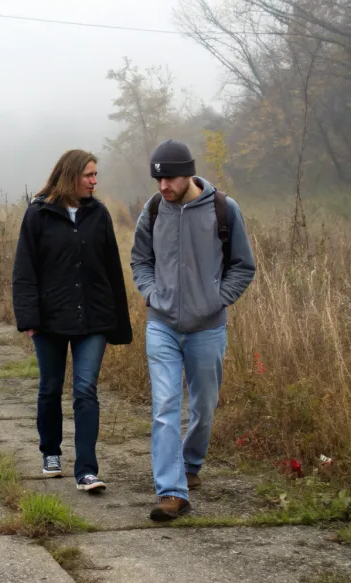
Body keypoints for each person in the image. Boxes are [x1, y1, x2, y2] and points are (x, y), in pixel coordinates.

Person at [130, 139, 256, 521]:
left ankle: (191, 464)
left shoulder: (223, 209)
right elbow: (140, 259)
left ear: (188, 173)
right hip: (162, 326)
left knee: (204, 407)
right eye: (158, 179)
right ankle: (172, 492)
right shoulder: (153, 211)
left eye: (169, 178)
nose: (163, 186)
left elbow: (242, 265)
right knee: (165, 407)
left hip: (208, 327)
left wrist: (219, 299)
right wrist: (152, 293)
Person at [12, 149, 133, 493]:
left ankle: (86, 471)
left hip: (93, 318)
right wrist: (28, 318)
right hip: (49, 320)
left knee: (85, 391)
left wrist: (118, 325)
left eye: (96, 175)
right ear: (70, 176)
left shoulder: (99, 214)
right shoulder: (38, 214)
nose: (95, 182)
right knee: (50, 388)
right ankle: (50, 451)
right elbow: (24, 271)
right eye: (89, 175)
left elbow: (112, 270)